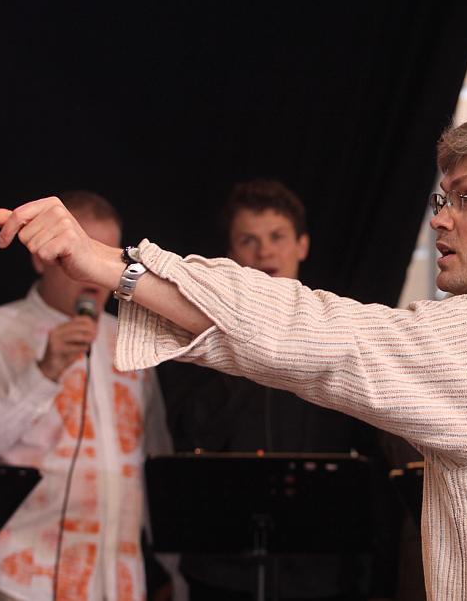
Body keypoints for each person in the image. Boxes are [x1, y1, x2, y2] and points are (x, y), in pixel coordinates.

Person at [0, 108, 467, 601]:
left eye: (465, 198)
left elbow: (307, 327)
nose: (440, 219)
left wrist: (111, 265)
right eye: (441, 198)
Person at [157, 179, 395, 600]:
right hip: (222, 577)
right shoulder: (197, 339)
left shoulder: (341, 332)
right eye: (248, 240)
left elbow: (371, 461)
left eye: (277, 237)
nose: (264, 252)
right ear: (230, 253)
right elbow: (187, 438)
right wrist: (241, 341)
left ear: (302, 245)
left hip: (322, 577)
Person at [0, 191, 171, 601]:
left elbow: (155, 460)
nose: (94, 270)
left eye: (108, 255)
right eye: (77, 251)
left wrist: (173, 571)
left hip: (117, 580)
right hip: (23, 580)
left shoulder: (130, 340)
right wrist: (43, 373)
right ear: (41, 257)